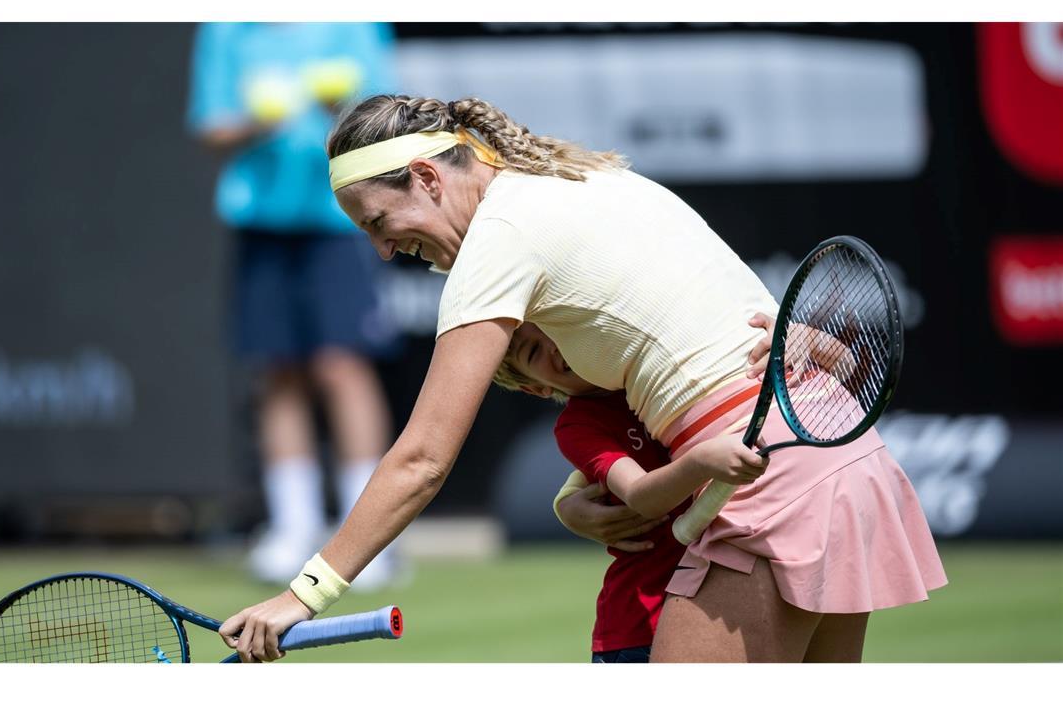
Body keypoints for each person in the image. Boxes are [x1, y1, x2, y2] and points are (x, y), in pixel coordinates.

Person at [217, 94, 946, 663]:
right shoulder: (579, 177)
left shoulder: (500, 238)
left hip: (769, 485)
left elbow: (422, 460)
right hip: (839, 454)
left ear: (430, 178)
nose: (381, 250)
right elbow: (639, 362)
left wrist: (302, 595)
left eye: (380, 221)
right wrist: (575, 500)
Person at [186, 24, 400, 587]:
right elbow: (211, 127)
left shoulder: (353, 21)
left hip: (338, 217)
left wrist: (342, 112)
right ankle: (294, 528)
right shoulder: (227, 28)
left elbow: (388, 121)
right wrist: (259, 123)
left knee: (342, 366)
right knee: (277, 371)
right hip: (261, 221)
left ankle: (368, 537)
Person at [495, 322, 767, 662]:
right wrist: (702, 461)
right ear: (536, 388)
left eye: (552, 325)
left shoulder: (650, 369)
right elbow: (641, 496)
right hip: (640, 624)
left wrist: (565, 501)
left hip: (720, 604)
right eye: (534, 352)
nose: (552, 344)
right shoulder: (578, 425)